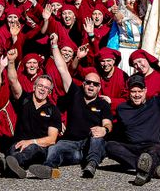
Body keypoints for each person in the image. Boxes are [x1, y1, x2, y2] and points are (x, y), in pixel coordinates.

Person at [47, 41, 114, 177]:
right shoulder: (75, 93)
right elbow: (62, 69)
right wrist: (54, 45)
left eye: (95, 84)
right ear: (83, 84)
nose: (91, 86)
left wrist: (104, 129)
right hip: (71, 142)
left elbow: (108, 123)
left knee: (98, 138)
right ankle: (48, 168)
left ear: (99, 88)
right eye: (88, 83)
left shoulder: (103, 104)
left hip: (90, 142)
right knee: (55, 148)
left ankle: (91, 165)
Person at [3, 70, 60, 178]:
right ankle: (15, 168)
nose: (43, 89)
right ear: (34, 87)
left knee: (32, 148)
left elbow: (52, 139)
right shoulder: (24, 99)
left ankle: (9, 165)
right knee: (13, 148)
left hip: (38, 148)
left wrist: (30, 142)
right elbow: (13, 81)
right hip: (18, 144)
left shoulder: (53, 110)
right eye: (40, 86)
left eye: (47, 88)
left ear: (50, 92)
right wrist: (11, 62)